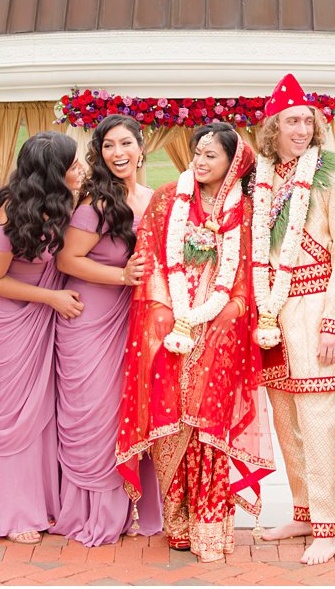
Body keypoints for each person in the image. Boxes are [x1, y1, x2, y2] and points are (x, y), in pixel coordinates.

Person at [115, 121, 273, 562]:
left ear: (233, 162)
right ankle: (178, 524)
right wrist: (169, 317)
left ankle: (211, 528)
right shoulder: (168, 199)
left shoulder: (245, 210)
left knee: (210, 433)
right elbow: (149, 260)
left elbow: (245, 277)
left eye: (211, 155)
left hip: (220, 337)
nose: (200, 162)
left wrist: (226, 315)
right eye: (197, 153)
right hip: (171, 333)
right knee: (172, 427)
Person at [250, 73, 335, 565]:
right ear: (273, 127)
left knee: (318, 422)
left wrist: (334, 322)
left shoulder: (334, 175)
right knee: (286, 419)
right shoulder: (264, 177)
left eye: (308, 121)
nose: (302, 130)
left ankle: (328, 526)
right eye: (292, 121)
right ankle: (302, 512)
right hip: (272, 312)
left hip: (315, 311)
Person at [53, 114, 162, 546]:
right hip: (91, 319)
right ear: (99, 153)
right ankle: (95, 511)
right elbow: (67, 261)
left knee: (131, 412)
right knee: (97, 415)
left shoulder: (154, 199)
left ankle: (138, 509)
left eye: (126, 144)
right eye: (109, 146)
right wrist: (122, 277)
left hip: (136, 320)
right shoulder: (94, 204)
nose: (119, 154)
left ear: (141, 146)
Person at [0, 131, 86, 544]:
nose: (82, 171)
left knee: (42, 412)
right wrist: (51, 297)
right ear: (53, 173)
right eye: (74, 166)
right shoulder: (12, 213)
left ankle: (44, 503)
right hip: (6, 320)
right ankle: (12, 511)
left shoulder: (65, 204)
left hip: (42, 313)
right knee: (13, 417)